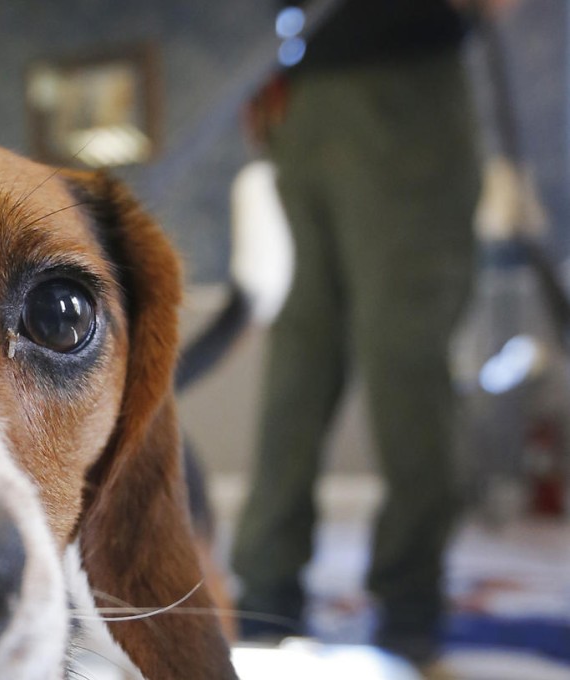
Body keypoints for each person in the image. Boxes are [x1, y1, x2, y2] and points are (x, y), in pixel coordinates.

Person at [230, 0, 515, 667]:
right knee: (406, 352)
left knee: (305, 353)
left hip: (303, 92)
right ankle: (409, 607)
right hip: (400, 87)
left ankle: (267, 594)